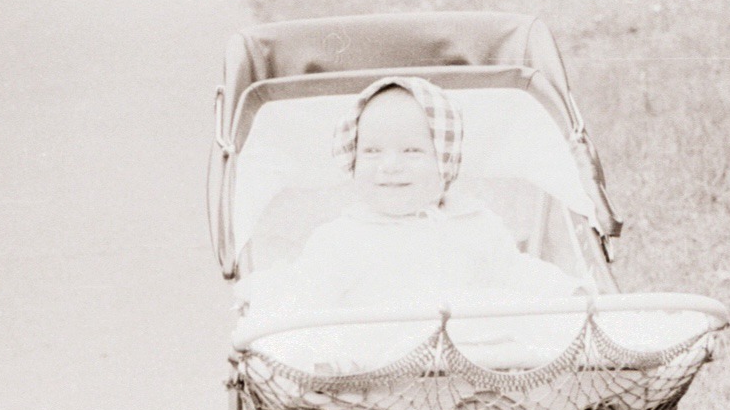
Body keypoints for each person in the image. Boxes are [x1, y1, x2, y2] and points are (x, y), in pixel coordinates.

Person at [236, 75, 588, 370]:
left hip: (477, 366)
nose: (390, 165)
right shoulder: (341, 239)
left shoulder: (473, 224)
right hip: (382, 375)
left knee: (523, 353)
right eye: (372, 151)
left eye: (412, 151)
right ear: (351, 160)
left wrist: (568, 292)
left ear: (445, 162)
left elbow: (514, 271)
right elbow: (307, 294)